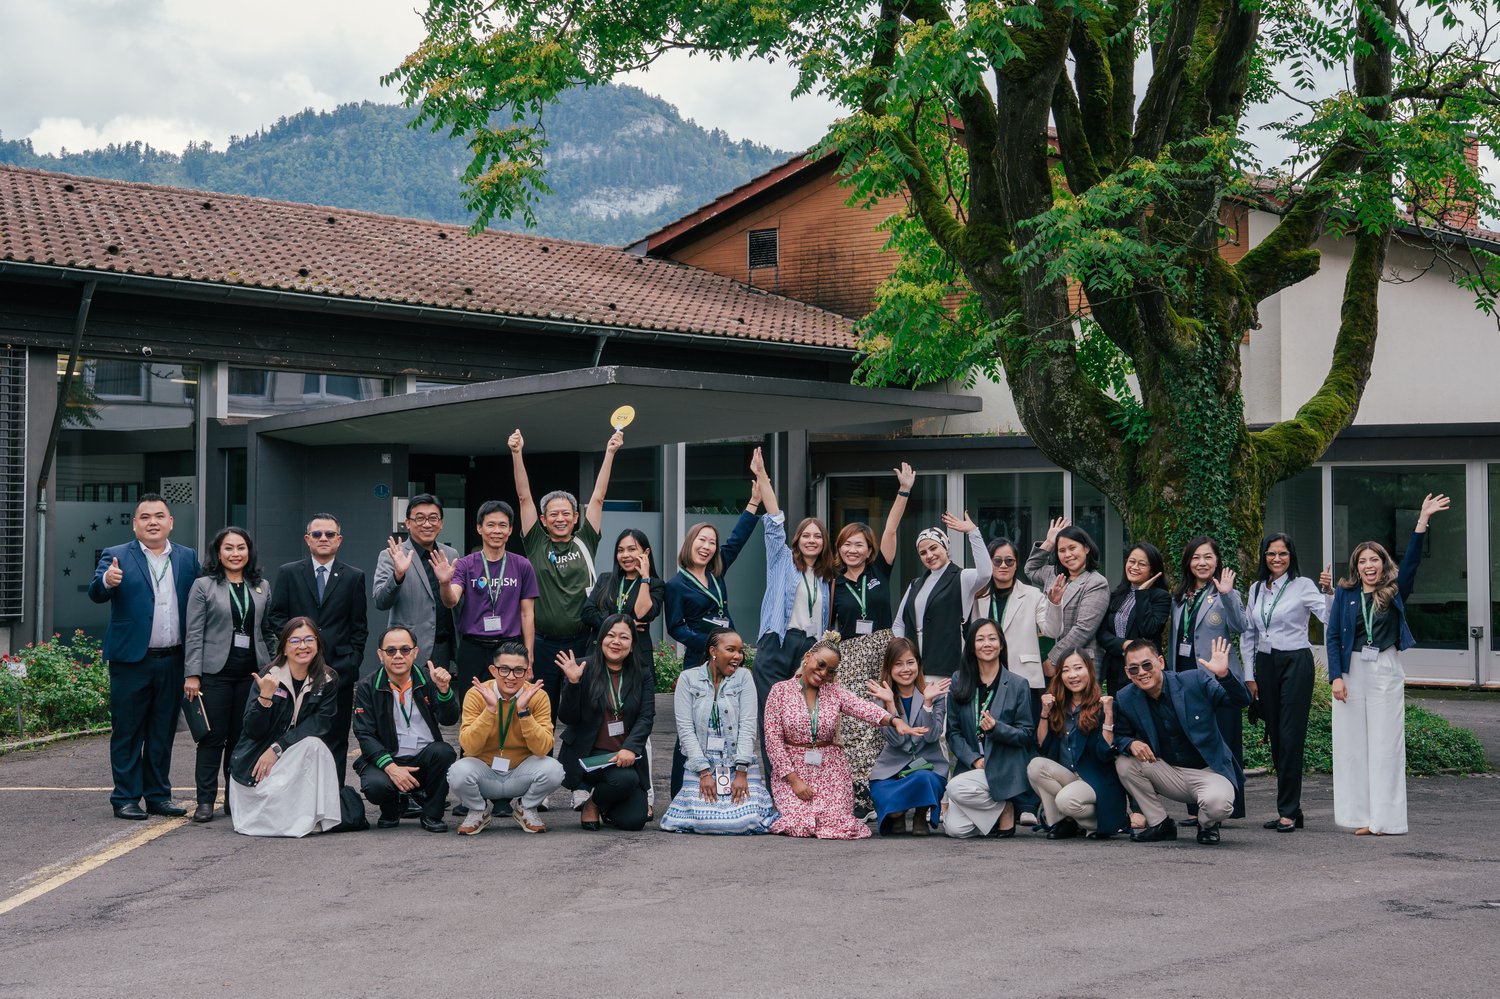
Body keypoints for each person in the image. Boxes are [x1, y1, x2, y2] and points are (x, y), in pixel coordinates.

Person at [1327, 493, 1449, 836]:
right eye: (1363, 560)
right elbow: (1334, 637)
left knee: (1385, 746)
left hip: (1384, 667)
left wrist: (1422, 520)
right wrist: (1336, 678)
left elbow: (1411, 562)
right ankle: (1360, 817)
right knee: (1352, 746)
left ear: (1382, 564)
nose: (1369, 565)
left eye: (1374, 560)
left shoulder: (1394, 590)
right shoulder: (1346, 594)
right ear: (1356, 566)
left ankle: (1386, 820)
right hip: (1352, 671)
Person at [88, 492, 201, 820]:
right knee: (128, 731)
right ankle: (124, 798)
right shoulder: (116, 555)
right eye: (145, 517)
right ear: (135, 524)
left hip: (173, 659)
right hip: (131, 661)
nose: (153, 522)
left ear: (170, 522)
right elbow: (96, 591)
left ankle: (157, 795)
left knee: (162, 731)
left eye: (159, 516)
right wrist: (107, 582)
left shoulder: (186, 557)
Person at [762, 639, 925, 839]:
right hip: (792, 771)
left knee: (840, 825)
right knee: (800, 824)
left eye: (831, 671)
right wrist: (794, 781)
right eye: (821, 664)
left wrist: (893, 720)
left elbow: (862, 707)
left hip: (830, 769)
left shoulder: (834, 692)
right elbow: (773, 741)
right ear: (807, 657)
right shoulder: (779, 691)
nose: (823, 673)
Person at [509, 425, 624, 708]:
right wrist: (516, 453)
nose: (559, 518)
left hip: (583, 642)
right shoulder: (536, 542)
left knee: (582, 709)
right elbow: (524, 497)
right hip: (544, 644)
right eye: (553, 514)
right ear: (544, 520)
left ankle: (577, 755)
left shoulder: (586, 540)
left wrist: (610, 452)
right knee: (541, 710)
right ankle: (543, 754)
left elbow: (598, 497)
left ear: (575, 517)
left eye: (565, 514)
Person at [663, 493, 762, 797]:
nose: (706, 547)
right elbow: (675, 627)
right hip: (698, 661)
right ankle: (681, 792)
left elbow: (737, 539)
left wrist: (753, 504)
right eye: (701, 541)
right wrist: (709, 646)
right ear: (690, 544)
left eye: (711, 542)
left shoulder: (717, 574)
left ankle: (726, 790)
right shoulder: (676, 585)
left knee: (729, 721)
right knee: (693, 728)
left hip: (729, 661)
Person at [1113, 637, 1251, 845]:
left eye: (1147, 664)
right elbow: (1119, 736)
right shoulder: (1126, 697)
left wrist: (1224, 675)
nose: (1141, 672)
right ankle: (1160, 823)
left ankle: (1207, 825)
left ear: (1160, 662)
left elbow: (1241, 701)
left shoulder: (1194, 680)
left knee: (1218, 804)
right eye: (1134, 669)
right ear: (1127, 673)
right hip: (1169, 772)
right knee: (1124, 763)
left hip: (1209, 771)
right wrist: (1130, 743)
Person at [264, 512, 369, 785]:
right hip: (297, 672)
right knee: (297, 736)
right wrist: (296, 647)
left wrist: (352, 663)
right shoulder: (289, 573)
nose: (324, 539)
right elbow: (276, 617)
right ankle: (297, 798)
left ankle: (332, 800)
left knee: (335, 739)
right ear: (307, 539)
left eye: (330, 534)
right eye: (318, 534)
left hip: (338, 672)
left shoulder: (354, 577)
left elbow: (359, 627)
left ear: (339, 540)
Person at [1240, 533, 1333, 832]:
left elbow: (1328, 618)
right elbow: (1248, 635)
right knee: (1276, 737)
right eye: (1271, 553)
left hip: (1295, 662)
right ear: (1263, 556)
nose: (1276, 559)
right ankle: (1292, 807)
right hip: (1265, 665)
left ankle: (1288, 811)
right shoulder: (1255, 589)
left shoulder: (1303, 586)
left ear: (1291, 556)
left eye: (1282, 553)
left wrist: (1328, 591)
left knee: (1291, 737)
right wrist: (1249, 675)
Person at [184, 527, 274, 823]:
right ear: (218, 553)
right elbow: (194, 632)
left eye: (241, 548)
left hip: (251, 675)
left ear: (249, 552)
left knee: (242, 739)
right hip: (214, 673)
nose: (235, 554)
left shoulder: (261, 586)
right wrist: (192, 674)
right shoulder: (204, 586)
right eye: (229, 548)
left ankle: (235, 799)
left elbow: (267, 630)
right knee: (212, 738)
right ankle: (206, 801)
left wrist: (273, 667)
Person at [748, 446, 837, 731]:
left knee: (800, 720)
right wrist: (762, 475)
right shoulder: (782, 560)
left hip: (809, 652)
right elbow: (774, 520)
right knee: (773, 720)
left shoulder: (826, 576)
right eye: (806, 536)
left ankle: (799, 776)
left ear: (824, 542)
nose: (811, 540)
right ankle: (776, 775)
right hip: (778, 644)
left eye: (817, 537)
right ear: (797, 540)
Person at [228, 617, 343, 837]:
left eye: (309, 639)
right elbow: (252, 731)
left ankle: (309, 816)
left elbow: (320, 724)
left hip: (285, 758)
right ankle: (294, 818)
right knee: (310, 746)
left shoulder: (327, 679)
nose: (303, 646)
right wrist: (265, 698)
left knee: (314, 745)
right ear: (284, 647)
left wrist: (278, 747)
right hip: (254, 768)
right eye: (295, 641)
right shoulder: (268, 677)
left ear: (318, 644)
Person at [659, 629, 777, 834]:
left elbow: (748, 726)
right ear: (713, 651)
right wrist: (704, 772)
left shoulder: (744, 678)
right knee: (704, 821)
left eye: (740, 651)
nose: (738, 657)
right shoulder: (688, 679)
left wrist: (741, 772)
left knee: (742, 821)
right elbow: (685, 730)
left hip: (737, 761)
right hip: (701, 764)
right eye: (730, 650)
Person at [1167, 535, 1248, 819]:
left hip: (1218, 677)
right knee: (1192, 742)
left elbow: (1241, 626)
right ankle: (1195, 806)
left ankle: (1229, 806)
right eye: (1196, 557)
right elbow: (1175, 640)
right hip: (1186, 677)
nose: (1202, 563)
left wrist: (1227, 594)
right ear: (1188, 562)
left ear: (1217, 561)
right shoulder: (1179, 597)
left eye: (1208, 557)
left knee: (1224, 741)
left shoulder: (1225, 593)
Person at [448, 641, 566, 835]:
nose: (511, 677)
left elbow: (543, 749)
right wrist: (490, 710)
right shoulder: (477, 694)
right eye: (504, 670)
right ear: (493, 670)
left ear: (528, 672)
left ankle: (526, 808)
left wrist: (524, 713)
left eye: (519, 670)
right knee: (457, 772)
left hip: (521, 772)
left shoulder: (538, 696)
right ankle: (478, 810)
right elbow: (469, 746)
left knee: (554, 770)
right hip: (485, 771)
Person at [351, 626, 459, 833]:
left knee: (444, 752)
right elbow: (364, 734)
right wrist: (391, 768)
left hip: (424, 758)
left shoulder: (429, 679)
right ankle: (392, 809)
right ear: (380, 655)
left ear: (415, 653)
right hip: (388, 757)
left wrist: (444, 691)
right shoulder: (367, 686)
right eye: (391, 651)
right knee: (375, 786)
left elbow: (449, 719)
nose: (398, 656)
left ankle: (432, 814)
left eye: (405, 650)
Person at [557, 614, 657, 831]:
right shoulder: (583, 667)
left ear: (632, 645)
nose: (616, 641)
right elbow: (567, 718)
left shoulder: (642, 673)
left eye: (623, 637)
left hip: (625, 755)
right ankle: (592, 804)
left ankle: (602, 800)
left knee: (634, 821)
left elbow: (646, 716)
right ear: (601, 639)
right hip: (589, 756)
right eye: (610, 635)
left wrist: (631, 748)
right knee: (625, 780)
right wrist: (573, 684)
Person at [436, 500, 539, 700]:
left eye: (502, 525)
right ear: (479, 528)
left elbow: (527, 614)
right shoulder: (465, 565)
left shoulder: (522, 565)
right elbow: (451, 600)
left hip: (508, 647)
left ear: (510, 530)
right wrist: (445, 584)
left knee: (509, 705)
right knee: (472, 704)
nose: (496, 530)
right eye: (490, 525)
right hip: (472, 647)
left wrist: (529, 654)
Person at [943, 619, 1036, 838]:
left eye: (993, 638)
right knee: (955, 830)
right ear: (972, 647)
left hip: (1003, 765)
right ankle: (1002, 807)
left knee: (954, 788)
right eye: (981, 639)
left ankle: (1004, 808)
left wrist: (997, 728)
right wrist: (974, 759)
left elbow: (1026, 734)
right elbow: (953, 733)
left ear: (1001, 644)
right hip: (973, 766)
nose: (987, 644)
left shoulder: (1017, 684)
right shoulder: (959, 680)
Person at [1026, 652, 1128, 839]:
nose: (1072, 675)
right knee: (1035, 766)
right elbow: (1042, 745)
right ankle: (1062, 822)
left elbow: (1105, 753)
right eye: (1066, 670)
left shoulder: (1102, 705)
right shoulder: (1058, 705)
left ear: (1089, 671)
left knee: (1066, 799)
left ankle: (1100, 824)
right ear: (1060, 676)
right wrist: (1044, 713)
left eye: (1078, 668)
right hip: (1068, 777)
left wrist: (1108, 715)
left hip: (1093, 780)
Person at [864, 637, 950, 835]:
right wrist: (890, 707)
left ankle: (921, 816)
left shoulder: (934, 693)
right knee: (883, 797)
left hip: (927, 766)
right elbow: (898, 741)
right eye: (898, 664)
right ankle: (898, 815)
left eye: (910, 662)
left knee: (923, 778)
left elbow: (932, 736)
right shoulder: (881, 696)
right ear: (889, 667)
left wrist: (927, 703)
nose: (905, 669)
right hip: (891, 770)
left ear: (918, 664)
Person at [892, 511, 991, 678]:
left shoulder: (961, 577)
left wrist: (973, 532)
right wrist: (904, 655)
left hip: (946, 669)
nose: (929, 555)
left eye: (933, 548)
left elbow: (986, 573)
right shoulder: (915, 584)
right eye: (923, 553)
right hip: (914, 670)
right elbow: (899, 624)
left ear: (945, 547)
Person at [373, 494, 458, 675]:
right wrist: (398, 575)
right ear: (408, 523)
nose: (427, 524)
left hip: (444, 647)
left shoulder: (451, 554)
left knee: (440, 700)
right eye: (419, 518)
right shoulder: (391, 555)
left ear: (441, 523)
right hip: (407, 649)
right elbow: (380, 601)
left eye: (433, 518)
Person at [968, 536, 1050, 722]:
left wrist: (1055, 603)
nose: (1003, 565)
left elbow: (1052, 630)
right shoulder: (976, 596)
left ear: (1016, 564)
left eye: (1009, 561)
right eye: (997, 561)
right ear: (988, 563)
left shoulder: (1032, 595)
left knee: (1023, 734)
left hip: (1023, 675)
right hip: (985, 675)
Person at [829, 462, 915, 639]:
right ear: (839, 549)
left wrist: (904, 490)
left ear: (869, 551)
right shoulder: (833, 585)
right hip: (850, 658)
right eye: (847, 544)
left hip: (883, 653)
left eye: (859, 545)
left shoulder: (879, 571)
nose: (852, 550)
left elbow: (890, 529)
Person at [1026, 517, 1110, 681]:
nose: (1068, 555)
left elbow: (1083, 629)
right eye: (1061, 550)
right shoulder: (1054, 574)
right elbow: (1030, 569)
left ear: (1086, 548)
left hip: (1079, 663)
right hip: (1047, 656)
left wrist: (1053, 660)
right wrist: (1049, 542)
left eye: (1072, 548)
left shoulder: (1096, 582)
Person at [582, 527, 665, 679]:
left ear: (646, 553)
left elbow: (642, 614)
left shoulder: (655, 585)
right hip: (601, 654)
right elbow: (587, 613)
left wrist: (645, 578)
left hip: (636, 656)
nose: (625, 555)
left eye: (631, 549)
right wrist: (624, 624)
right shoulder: (605, 580)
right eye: (620, 550)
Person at [1096, 542, 1171, 697]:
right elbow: (1102, 633)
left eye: (1142, 564)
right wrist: (1124, 644)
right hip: (1116, 671)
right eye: (1131, 561)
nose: (1134, 567)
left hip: (1145, 671)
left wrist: (1142, 593)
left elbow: (1149, 629)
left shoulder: (1161, 597)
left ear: (1152, 571)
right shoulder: (1117, 594)